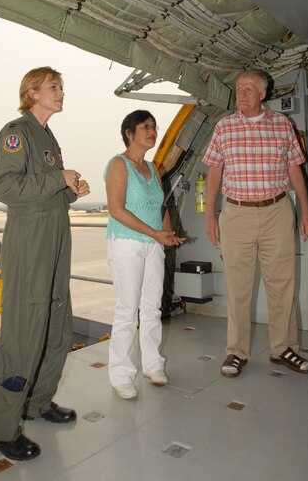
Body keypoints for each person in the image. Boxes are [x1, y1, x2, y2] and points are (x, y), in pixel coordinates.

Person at [0, 66, 90, 461]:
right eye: (54, 87)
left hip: (55, 236)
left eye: (61, 86)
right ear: (32, 92)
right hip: (30, 244)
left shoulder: (47, 136)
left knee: (57, 327)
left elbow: (45, 193)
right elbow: (7, 188)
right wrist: (57, 177)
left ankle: (37, 402)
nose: (61, 92)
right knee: (23, 335)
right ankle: (1, 428)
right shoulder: (16, 132)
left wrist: (70, 190)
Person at [203, 69, 308, 378]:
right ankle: (236, 352)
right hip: (236, 213)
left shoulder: (282, 124)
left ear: (263, 94)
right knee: (238, 286)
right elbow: (214, 171)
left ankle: (284, 348)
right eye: (239, 89)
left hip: (276, 211)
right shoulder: (224, 127)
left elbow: (295, 170)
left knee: (282, 283)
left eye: (249, 89)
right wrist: (211, 214)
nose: (241, 94)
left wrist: (306, 210)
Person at [105, 110, 185, 400]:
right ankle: (122, 375)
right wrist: (154, 235)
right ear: (129, 133)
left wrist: (166, 236)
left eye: (154, 127)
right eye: (146, 127)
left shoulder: (153, 168)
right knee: (127, 311)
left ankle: (153, 365)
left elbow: (160, 207)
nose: (152, 131)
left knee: (152, 308)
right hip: (127, 244)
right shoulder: (118, 164)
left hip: (153, 247)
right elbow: (116, 209)